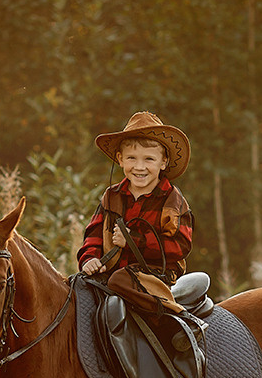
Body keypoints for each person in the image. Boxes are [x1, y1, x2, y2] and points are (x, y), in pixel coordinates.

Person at [78, 112, 193, 310]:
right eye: (132, 158)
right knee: (78, 287)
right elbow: (94, 234)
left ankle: (171, 315)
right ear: (120, 160)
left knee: (119, 280)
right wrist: (90, 258)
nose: (139, 167)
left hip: (156, 276)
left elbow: (180, 246)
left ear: (163, 162)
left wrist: (135, 241)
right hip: (114, 273)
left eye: (149, 159)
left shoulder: (172, 200)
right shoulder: (111, 197)